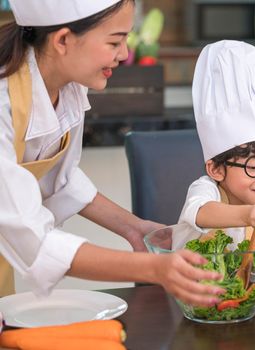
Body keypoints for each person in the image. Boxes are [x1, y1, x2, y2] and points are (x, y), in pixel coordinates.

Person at [0, 0, 224, 307]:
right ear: (63, 40)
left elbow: (57, 179)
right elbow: (33, 239)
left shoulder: (66, 88)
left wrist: (134, 228)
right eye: (114, 42)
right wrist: (156, 268)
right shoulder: (3, 104)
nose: (124, 54)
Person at [177, 40, 255, 259]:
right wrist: (250, 214)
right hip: (187, 288)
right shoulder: (206, 190)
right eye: (254, 167)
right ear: (216, 169)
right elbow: (201, 212)